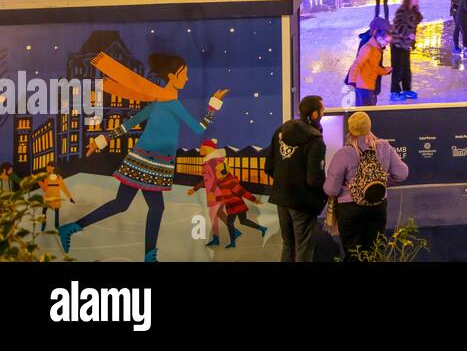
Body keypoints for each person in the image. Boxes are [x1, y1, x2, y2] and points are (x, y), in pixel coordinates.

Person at [59, 52, 228, 263]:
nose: (187, 78)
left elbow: (130, 123)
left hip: (143, 161)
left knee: (123, 203)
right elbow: (198, 127)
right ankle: (148, 257)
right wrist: (213, 106)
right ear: (172, 76)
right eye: (184, 74)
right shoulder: (171, 103)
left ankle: (72, 227)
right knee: (153, 207)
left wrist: (103, 139)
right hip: (151, 164)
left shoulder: (160, 101)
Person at [324, 111, 409, 262]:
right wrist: (382, 181)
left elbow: (331, 189)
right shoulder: (383, 147)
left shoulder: (344, 153)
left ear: (350, 129)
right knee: (375, 252)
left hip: (350, 209)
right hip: (377, 206)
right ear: (369, 126)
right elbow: (402, 174)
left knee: (354, 254)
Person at [266, 96, 328, 263]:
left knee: (288, 245)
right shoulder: (316, 140)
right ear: (315, 114)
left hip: (281, 198)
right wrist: (323, 195)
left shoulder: (280, 131)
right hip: (302, 202)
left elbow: (269, 167)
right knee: (303, 248)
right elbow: (313, 179)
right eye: (323, 110)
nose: (323, 113)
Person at [346, 19, 392, 107]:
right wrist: (352, 81)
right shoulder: (368, 47)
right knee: (366, 112)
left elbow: (373, 66)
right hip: (363, 86)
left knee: (369, 110)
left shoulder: (377, 48)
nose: (386, 45)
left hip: (369, 86)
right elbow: (357, 64)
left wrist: (385, 71)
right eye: (386, 41)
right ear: (378, 34)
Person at [390, 0, 422, 100]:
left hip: (406, 44)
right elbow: (397, 26)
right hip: (397, 43)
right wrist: (408, 34)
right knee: (397, 68)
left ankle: (406, 89)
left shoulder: (414, 12)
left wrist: (412, 42)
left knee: (406, 69)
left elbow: (414, 29)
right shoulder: (402, 11)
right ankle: (394, 92)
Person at [37, 164, 74, 233]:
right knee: (44, 212)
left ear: (53, 168)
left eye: (48, 166)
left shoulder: (58, 177)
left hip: (55, 197)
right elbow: (45, 189)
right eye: (47, 167)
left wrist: (70, 198)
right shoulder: (46, 177)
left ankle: (56, 226)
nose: (47, 168)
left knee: (55, 213)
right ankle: (44, 224)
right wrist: (39, 181)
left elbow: (64, 188)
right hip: (49, 197)